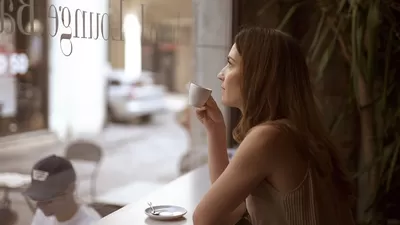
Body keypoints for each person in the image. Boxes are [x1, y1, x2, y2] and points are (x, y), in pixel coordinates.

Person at [192, 27, 356, 225]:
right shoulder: (294, 131)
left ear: (259, 74)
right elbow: (231, 210)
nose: (221, 74)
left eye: (230, 63)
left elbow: (204, 218)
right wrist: (216, 129)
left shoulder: (269, 137)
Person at [25, 155, 101, 225]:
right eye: (37, 198)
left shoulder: (91, 222)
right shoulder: (42, 215)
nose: (39, 206)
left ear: (70, 189)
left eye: (47, 200)